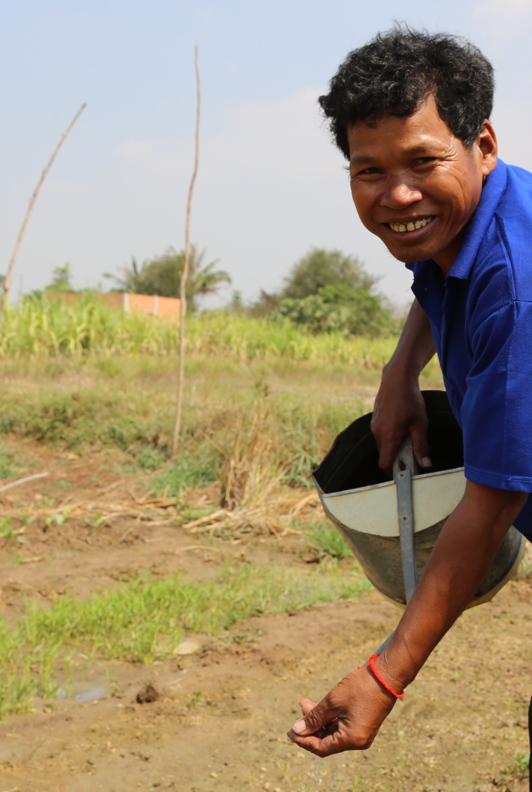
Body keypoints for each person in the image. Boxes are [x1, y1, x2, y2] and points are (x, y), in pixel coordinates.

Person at [287, 27, 532, 784]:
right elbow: (437, 275)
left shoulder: (518, 285)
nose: (397, 194)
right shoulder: (471, 217)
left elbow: (489, 502)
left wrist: (386, 674)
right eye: (370, 170)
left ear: (480, 143)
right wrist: (401, 370)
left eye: (424, 161)